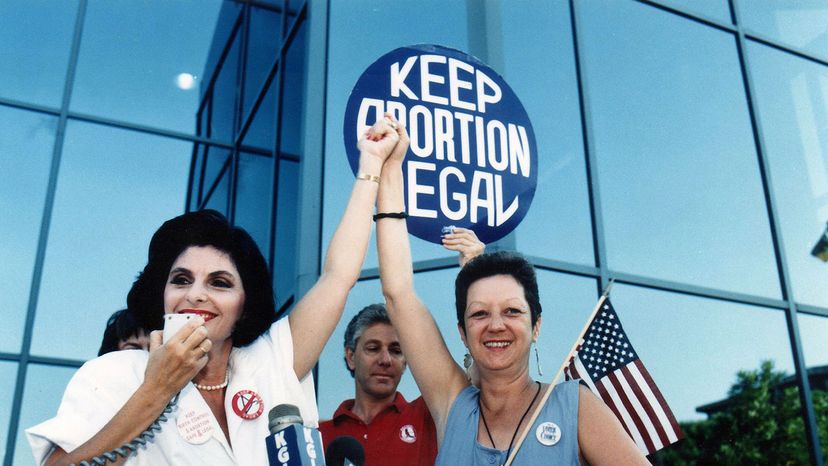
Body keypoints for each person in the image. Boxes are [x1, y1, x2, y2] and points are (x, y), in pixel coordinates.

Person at [26, 115, 404, 466]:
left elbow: (338, 276)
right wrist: (156, 390)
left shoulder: (272, 362)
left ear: (244, 303)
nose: (197, 294)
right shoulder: (114, 374)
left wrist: (370, 165)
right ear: (163, 295)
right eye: (181, 280)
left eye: (219, 283)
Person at [374, 121, 649, 465]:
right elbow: (398, 293)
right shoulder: (452, 404)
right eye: (479, 314)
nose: (496, 324)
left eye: (512, 311)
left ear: (536, 326)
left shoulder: (574, 407)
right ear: (462, 332)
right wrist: (389, 169)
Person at [319, 230, 484, 465]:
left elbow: (482, 381)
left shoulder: (428, 415)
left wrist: (473, 267)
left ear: (408, 360)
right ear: (350, 356)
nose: (385, 359)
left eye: (396, 350)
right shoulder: (317, 436)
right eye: (373, 348)